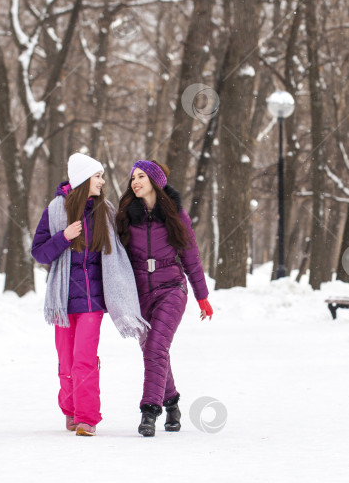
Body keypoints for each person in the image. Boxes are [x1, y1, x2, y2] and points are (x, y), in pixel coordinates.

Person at [32, 153, 147, 437]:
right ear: (84, 179)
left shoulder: (105, 212)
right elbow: (39, 253)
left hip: (93, 300)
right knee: (66, 361)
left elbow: (123, 246)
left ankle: (87, 418)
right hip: (62, 299)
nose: (102, 181)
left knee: (84, 357)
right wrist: (64, 237)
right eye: (97, 176)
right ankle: (70, 411)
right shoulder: (55, 210)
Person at [116, 159, 213, 437]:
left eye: (141, 176)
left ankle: (149, 412)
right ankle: (172, 403)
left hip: (171, 288)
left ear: (156, 181)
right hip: (140, 294)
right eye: (133, 177)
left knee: (156, 346)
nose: (135, 181)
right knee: (152, 350)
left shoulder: (175, 215)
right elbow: (115, 259)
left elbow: (191, 256)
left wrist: (201, 296)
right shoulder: (125, 215)